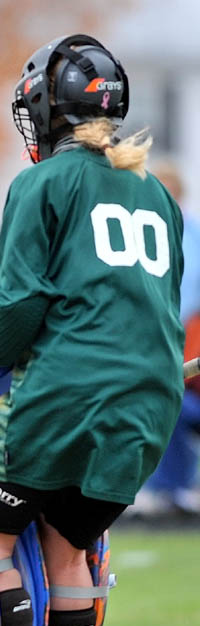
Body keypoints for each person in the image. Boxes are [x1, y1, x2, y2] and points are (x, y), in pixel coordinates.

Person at [0, 35, 183, 626]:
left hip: (67, 390)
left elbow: (18, 309)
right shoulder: (158, 194)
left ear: (48, 109)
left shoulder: (43, 182)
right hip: (150, 402)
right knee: (70, 545)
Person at [131, 159, 200, 516]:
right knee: (161, 402)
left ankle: (178, 489)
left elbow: (183, 302)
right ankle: (166, 491)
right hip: (160, 350)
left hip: (183, 348)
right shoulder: (136, 235)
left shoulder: (192, 236)